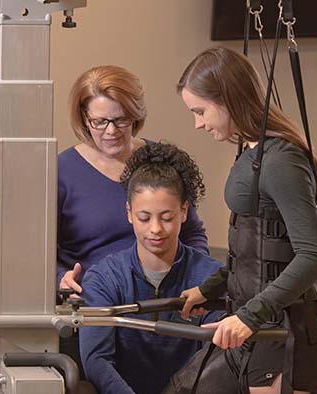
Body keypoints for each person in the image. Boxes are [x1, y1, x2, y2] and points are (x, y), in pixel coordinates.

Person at [171, 46, 317, 393]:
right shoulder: (252, 150)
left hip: (280, 335)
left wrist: (249, 316)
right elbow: (257, 250)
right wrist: (208, 289)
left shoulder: (281, 161)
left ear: (227, 99)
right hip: (254, 329)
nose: (197, 123)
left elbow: (313, 257)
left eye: (200, 111)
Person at [79, 142, 223, 394]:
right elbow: (97, 361)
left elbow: (219, 359)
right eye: (145, 217)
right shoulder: (104, 279)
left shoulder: (211, 278)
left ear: (184, 211)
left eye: (166, 217)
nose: (155, 228)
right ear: (129, 213)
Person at [57, 65, 208, 293]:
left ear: (135, 116)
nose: (111, 131)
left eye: (121, 120)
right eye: (99, 121)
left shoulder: (160, 159)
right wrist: (59, 277)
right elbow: (38, 253)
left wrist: (197, 279)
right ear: (84, 119)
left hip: (164, 295)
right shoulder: (61, 171)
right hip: (93, 299)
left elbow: (192, 233)